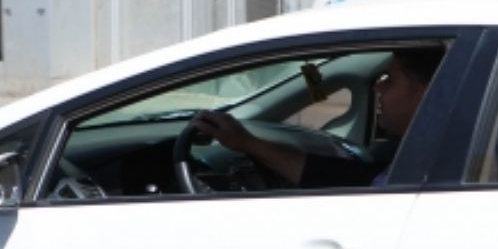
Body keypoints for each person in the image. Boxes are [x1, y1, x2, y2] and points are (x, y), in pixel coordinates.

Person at [190, 47, 445, 189]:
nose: (378, 87)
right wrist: (249, 144)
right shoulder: (429, 158)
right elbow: (347, 179)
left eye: (390, 79)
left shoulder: (435, 167)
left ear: (426, 92)